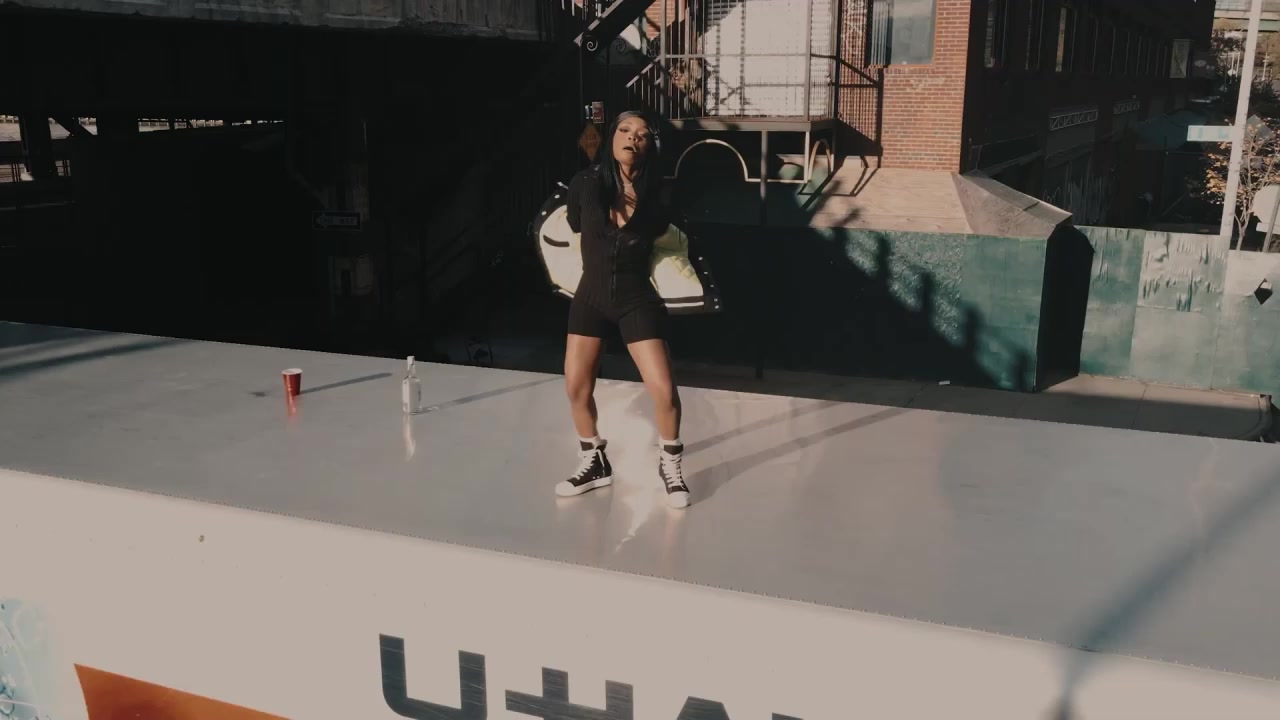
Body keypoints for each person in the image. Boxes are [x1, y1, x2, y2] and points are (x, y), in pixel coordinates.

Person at [554, 110, 690, 509]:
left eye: (643, 135)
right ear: (612, 137)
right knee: (576, 387)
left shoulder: (659, 192)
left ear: (650, 147)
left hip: (635, 297)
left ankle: (670, 464)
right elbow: (577, 224)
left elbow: (665, 233)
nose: (634, 138)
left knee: (663, 390)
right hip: (590, 296)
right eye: (626, 130)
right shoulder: (584, 183)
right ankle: (594, 461)